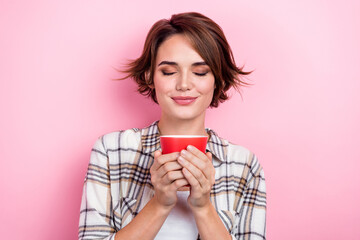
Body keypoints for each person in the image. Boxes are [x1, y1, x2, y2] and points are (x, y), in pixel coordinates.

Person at [78, 12, 266, 240]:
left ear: (218, 79)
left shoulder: (244, 165)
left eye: (200, 72)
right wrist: (159, 203)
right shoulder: (111, 151)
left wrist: (203, 207)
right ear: (150, 76)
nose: (184, 84)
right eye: (168, 71)